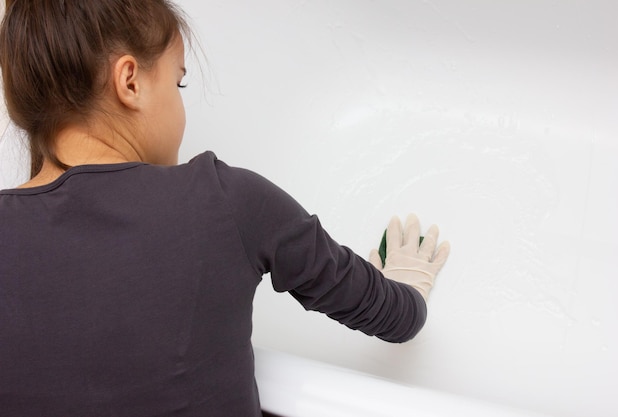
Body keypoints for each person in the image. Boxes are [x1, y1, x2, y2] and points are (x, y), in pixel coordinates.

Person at [0, 1, 450, 416]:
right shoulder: (225, 198)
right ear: (130, 81)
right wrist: (407, 290)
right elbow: (394, 317)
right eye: (178, 81)